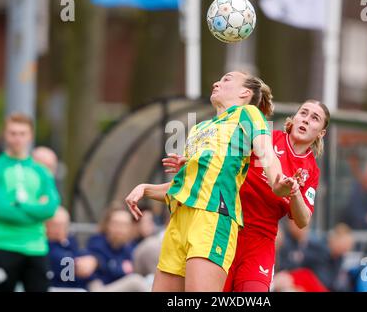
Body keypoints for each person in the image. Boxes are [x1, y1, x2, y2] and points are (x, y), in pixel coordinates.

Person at [125, 71, 295, 292]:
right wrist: (145, 189)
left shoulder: (248, 114)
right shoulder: (199, 129)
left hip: (213, 217)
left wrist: (277, 181)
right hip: (178, 222)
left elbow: (267, 153)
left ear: (245, 92)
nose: (216, 82)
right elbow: (182, 187)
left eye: (226, 80)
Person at [163, 99, 330, 292]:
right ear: (294, 118)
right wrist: (193, 163)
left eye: (315, 118)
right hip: (227, 228)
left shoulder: (311, 170)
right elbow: (224, 159)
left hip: (261, 241)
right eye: (303, 113)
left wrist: (295, 193)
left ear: (321, 133)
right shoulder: (266, 139)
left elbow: (303, 220)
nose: (306, 120)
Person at [0, 113, 60, 292]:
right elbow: (1, 210)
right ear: (5, 135)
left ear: (30, 136)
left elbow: (50, 209)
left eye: (22, 133)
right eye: (13, 133)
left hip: (36, 247)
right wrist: (35, 209)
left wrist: (19, 205)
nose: (17, 138)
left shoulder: (41, 171)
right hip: (3, 246)